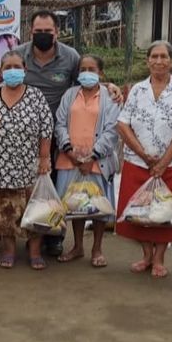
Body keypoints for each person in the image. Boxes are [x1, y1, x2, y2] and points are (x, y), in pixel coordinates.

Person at [0, 10, 121, 257]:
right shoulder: (18, 54)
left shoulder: (70, 56)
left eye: (48, 31)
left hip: (57, 136)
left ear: (57, 32)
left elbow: (87, 80)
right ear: (31, 32)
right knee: (21, 190)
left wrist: (109, 86)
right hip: (22, 138)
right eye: (39, 32)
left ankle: (53, 238)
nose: (43, 35)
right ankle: (16, 237)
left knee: (53, 191)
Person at [116, 40, 172, 278]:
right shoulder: (137, 90)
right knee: (139, 210)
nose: (159, 61)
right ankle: (146, 256)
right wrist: (143, 154)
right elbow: (123, 124)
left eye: (164, 57)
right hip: (138, 162)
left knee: (166, 212)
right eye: (154, 56)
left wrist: (163, 162)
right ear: (147, 60)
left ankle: (159, 258)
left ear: (171, 61)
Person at [0, 51, 53, 269]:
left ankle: (34, 251)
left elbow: (47, 129)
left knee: (34, 209)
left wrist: (44, 158)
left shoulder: (36, 96)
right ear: (0, 71)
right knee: (5, 211)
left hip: (30, 165)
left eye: (16, 66)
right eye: (7, 67)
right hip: (2, 166)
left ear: (25, 69)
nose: (12, 71)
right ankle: (8, 250)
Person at [54, 55, 120, 268]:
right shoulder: (70, 94)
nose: (87, 73)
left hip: (98, 161)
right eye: (83, 69)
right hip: (70, 160)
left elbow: (112, 130)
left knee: (98, 206)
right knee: (76, 204)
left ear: (101, 73)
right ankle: (78, 246)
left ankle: (97, 249)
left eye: (92, 69)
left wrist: (92, 156)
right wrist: (70, 151)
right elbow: (59, 123)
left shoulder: (110, 97)